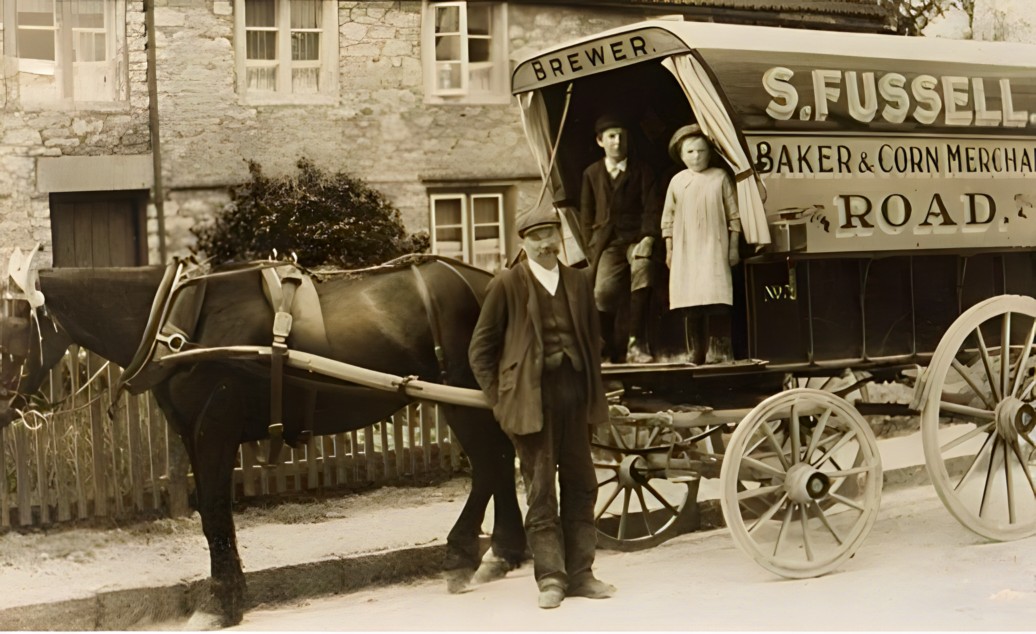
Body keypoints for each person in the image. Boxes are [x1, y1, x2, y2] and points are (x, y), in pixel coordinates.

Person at [468, 202, 615, 610]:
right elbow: (480, 351)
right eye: (536, 236)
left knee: (583, 486)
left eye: (551, 233)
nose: (546, 242)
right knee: (541, 493)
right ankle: (551, 579)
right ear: (524, 243)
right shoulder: (506, 284)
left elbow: (592, 340)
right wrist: (501, 402)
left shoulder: (579, 281)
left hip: (575, 400)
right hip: (532, 403)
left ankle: (582, 574)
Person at [579, 114, 662, 363]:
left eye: (621, 136)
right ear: (600, 141)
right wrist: (591, 245)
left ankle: (636, 345)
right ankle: (604, 349)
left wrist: (648, 237)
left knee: (643, 269)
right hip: (607, 243)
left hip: (636, 239)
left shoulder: (642, 170)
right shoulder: (591, 174)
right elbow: (586, 214)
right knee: (602, 292)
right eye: (611, 137)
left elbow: (651, 208)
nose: (617, 141)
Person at [661, 124, 741, 364]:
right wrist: (670, 249)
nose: (696, 157)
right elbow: (668, 218)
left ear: (709, 152)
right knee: (691, 298)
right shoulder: (677, 181)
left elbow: (733, 215)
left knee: (716, 294)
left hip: (714, 245)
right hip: (687, 249)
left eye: (701, 151)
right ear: (681, 155)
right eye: (690, 152)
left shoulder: (720, 177)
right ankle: (696, 350)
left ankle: (720, 349)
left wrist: (734, 246)